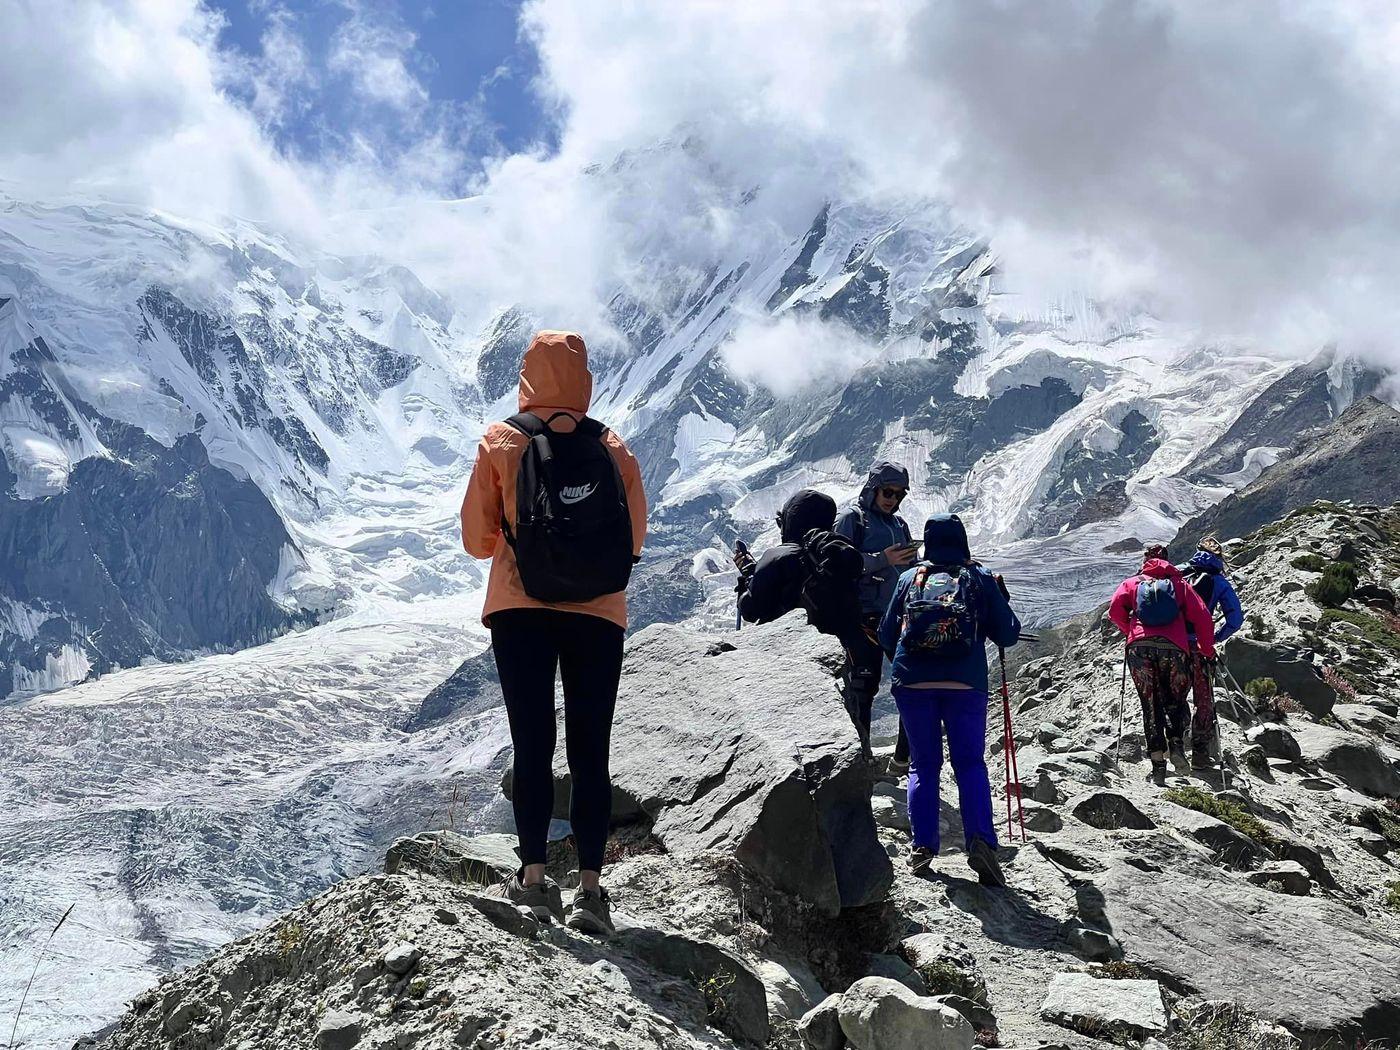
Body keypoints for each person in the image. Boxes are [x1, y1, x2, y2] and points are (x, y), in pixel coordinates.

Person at [461, 330, 647, 936]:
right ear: (584, 378)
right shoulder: (613, 448)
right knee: (591, 750)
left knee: (532, 743)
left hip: (520, 609)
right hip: (598, 614)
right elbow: (633, 540)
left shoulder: (502, 440)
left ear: (526, 374)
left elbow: (475, 540)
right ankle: (594, 891)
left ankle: (536, 882)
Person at [878, 514, 1021, 886]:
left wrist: (912, 667)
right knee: (970, 763)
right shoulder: (979, 577)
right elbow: (1007, 634)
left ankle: (923, 847)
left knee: (923, 765)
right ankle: (982, 844)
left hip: (912, 683)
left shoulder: (910, 578)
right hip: (965, 683)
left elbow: (885, 633)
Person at [1108, 544, 1217, 786]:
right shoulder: (1180, 585)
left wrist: (1131, 633)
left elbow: (1114, 612)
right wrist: (1206, 650)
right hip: (1175, 649)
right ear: (1168, 560)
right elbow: (1203, 618)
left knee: (1150, 703)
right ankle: (1176, 744)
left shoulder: (1132, 583)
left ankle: (1158, 766)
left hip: (1140, 649)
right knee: (1175, 701)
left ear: (1145, 560)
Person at [835, 462, 918, 764]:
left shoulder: (900, 525)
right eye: (887, 491)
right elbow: (837, 565)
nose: (892, 499)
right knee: (862, 689)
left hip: (897, 616)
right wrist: (882, 559)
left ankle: (903, 759)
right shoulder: (851, 520)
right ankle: (860, 762)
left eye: (898, 494)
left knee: (912, 682)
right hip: (861, 618)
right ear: (873, 487)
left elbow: (909, 570)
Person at [737, 489, 861, 637]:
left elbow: (750, 611)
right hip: (842, 643)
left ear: (790, 521)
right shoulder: (834, 552)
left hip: (790, 645)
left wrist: (749, 576)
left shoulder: (777, 556)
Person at [1181, 537, 1245, 769]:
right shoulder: (1219, 581)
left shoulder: (1179, 574)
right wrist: (1215, 638)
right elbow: (1235, 620)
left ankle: (1175, 745)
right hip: (1199, 648)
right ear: (1219, 558)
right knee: (1203, 698)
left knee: (1173, 695)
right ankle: (1200, 753)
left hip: (1173, 645)